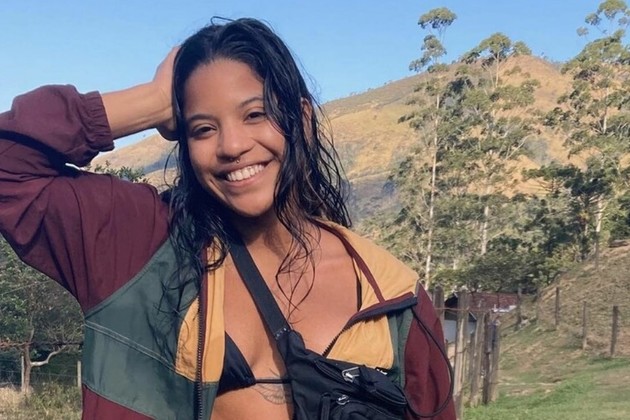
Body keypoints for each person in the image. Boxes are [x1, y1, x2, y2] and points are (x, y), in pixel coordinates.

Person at [0, 17, 455, 420]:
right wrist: (152, 101)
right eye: (203, 128)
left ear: (302, 120)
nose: (232, 145)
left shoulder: (392, 295)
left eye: (255, 114)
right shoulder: (138, 247)